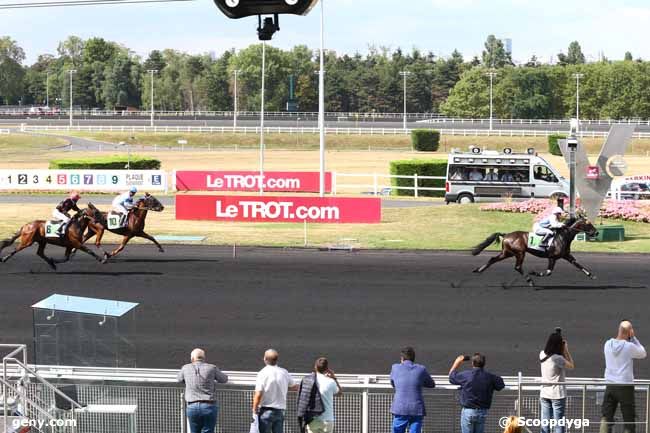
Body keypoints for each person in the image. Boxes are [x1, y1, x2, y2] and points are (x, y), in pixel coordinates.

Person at [600, 321, 646, 433]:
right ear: (629, 332)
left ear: (619, 330)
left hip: (610, 385)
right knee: (629, 420)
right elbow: (643, 353)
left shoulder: (607, 344)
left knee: (606, 417)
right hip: (625, 386)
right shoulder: (629, 347)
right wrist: (634, 338)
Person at [449, 353, 505, 433]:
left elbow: (451, 377)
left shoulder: (466, 375)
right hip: (482, 412)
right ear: (484, 364)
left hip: (468, 412)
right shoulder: (489, 377)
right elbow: (500, 385)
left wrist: (457, 361)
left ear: (472, 363)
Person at [177, 348, 228, 433]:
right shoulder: (212, 368)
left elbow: (179, 379)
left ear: (192, 358)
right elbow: (224, 379)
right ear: (204, 358)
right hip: (208, 406)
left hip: (192, 406)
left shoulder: (185, 368)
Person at [390, 347, 435, 433]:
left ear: (402, 358)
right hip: (416, 409)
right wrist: (419, 382)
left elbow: (393, 383)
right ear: (413, 359)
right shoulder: (421, 369)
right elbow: (431, 384)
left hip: (400, 408)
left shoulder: (395, 368)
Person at [253, 349, 299, 433]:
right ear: (276, 360)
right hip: (280, 412)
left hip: (265, 411)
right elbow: (295, 387)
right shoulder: (284, 372)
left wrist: (254, 409)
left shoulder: (262, 373)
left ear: (265, 359)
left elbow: (258, 394)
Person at [540, 330, 575, 433]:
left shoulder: (542, 354)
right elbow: (572, 366)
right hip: (557, 395)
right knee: (559, 425)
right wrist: (566, 350)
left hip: (544, 393)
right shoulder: (558, 358)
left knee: (545, 424)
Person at [297, 357, 342, 433]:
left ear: (315, 367)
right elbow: (340, 393)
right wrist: (334, 377)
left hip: (313, 419)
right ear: (327, 368)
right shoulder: (331, 382)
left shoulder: (308, 380)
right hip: (327, 420)